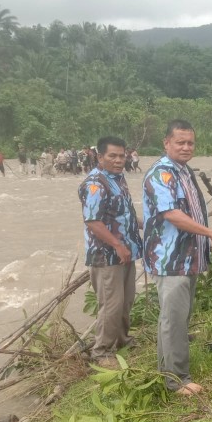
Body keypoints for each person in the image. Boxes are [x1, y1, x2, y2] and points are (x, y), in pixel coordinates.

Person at [143, 120, 212, 396]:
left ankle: (167, 371)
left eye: (190, 142)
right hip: (171, 261)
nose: (186, 147)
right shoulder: (161, 174)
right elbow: (172, 215)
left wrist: (204, 241)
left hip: (187, 258)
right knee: (174, 319)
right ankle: (177, 380)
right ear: (166, 143)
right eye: (180, 142)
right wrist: (210, 233)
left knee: (175, 317)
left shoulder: (184, 172)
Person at [78, 136, 143, 368]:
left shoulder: (117, 178)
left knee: (126, 300)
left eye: (121, 155)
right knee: (112, 303)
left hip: (126, 252)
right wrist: (117, 244)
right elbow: (93, 221)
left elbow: (123, 215)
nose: (118, 160)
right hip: (106, 255)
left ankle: (123, 339)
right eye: (112, 156)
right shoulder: (95, 184)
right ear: (100, 156)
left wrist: (146, 223)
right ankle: (101, 351)